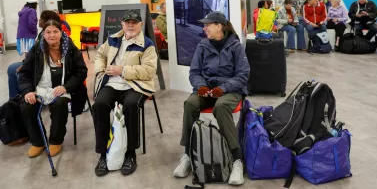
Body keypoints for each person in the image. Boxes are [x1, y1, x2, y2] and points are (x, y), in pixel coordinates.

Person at [173, 12, 249, 186]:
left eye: (208, 25)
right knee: (190, 103)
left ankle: (237, 159)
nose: (204, 28)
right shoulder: (203, 45)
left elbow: (243, 75)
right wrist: (202, 87)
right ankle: (187, 154)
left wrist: (222, 88)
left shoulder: (236, 46)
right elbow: (194, 72)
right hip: (207, 89)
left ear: (219, 26)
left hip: (231, 90)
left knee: (221, 107)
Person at [93, 10, 158, 177]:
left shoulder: (147, 44)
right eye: (127, 22)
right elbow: (100, 54)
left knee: (131, 105)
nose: (131, 25)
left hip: (135, 85)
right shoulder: (113, 39)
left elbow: (149, 71)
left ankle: (130, 153)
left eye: (134, 22)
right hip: (112, 84)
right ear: (122, 24)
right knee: (99, 104)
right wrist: (101, 71)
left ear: (141, 25)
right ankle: (103, 153)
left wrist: (122, 70)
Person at [18, 20, 88, 158]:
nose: (52, 35)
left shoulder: (71, 49)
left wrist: (66, 87)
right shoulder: (37, 49)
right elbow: (24, 73)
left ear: (61, 33)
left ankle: (56, 140)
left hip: (63, 88)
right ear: (43, 34)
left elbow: (81, 71)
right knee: (27, 106)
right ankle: (38, 141)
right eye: (48, 32)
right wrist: (28, 91)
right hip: (39, 89)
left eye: (55, 31)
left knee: (59, 104)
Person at [8, 10, 62, 99]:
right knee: (12, 68)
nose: (39, 20)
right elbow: (33, 53)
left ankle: (22, 97)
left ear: (47, 21)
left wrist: (26, 65)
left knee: (16, 71)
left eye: (41, 19)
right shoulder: (42, 34)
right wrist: (25, 63)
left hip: (41, 66)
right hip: (35, 62)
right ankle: (15, 98)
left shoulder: (53, 38)